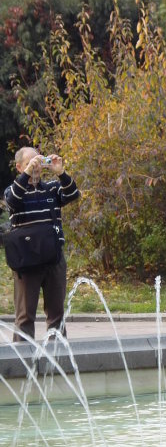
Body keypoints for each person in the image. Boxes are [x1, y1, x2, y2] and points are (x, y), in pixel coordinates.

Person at [4, 146, 80, 341]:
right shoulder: (13, 191)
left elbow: (73, 195)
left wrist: (61, 173)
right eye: (31, 163)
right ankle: (23, 365)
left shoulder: (52, 188)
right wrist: (28, 174)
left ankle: (58, 360)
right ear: (20, 167)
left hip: (53, 259)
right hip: (26, 260)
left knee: (56, 316)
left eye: (38, 161)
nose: (36, 166)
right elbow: (12, 200)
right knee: (24, 317)